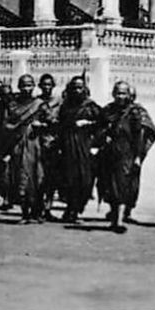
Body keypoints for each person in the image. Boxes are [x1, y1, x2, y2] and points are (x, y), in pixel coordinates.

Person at [97, 81, 155, 233]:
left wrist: (139, 155)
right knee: (109, 185)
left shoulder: (135, 112)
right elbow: (99, 129)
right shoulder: (108, 110)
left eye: (124, 93)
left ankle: (119, 220)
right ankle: (114, 214)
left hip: (128, 153)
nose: (120, 96)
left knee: (124, 185)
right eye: (118, 93)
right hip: (109, 153)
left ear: (130, 95)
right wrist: (104, 136)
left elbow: (146, 133)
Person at [3, 74, 54, 223]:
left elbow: (51, 122)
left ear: (34, 86)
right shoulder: (13, 105)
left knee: (37, 178)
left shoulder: (40, 104)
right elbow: (6, 124)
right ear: (18, 87)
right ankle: (25, 213)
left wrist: (42, 126)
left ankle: (37, 212)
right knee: (21, 177)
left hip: (36, 145)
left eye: (29, 85)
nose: (27, 88)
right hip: (18, 145)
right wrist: (15, 128)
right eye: (23, 85)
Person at [55, 75, 103, 222]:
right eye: (74, 87)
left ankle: (77, 208)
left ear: (85, 89)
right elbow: (60, 126)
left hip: (85, 147)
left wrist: (89, 125)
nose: (77, 90)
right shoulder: (65, 106)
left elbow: (102, 125)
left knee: (85, 181)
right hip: (69, 147)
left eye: (80, 87)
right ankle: (71, 211)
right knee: (69, 180)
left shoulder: (91, 106)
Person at [36, 73, 62, 219]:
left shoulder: (59, 102)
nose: (46, 87)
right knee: (39, 177)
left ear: (53, 86)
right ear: (40, 86)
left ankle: (48, 207)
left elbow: (64, 119)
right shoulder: (36, 102)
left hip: (54, 142)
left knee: (52, 178)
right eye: (44, 84)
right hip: (39, 142)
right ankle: (38, 207)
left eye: (49, 85)